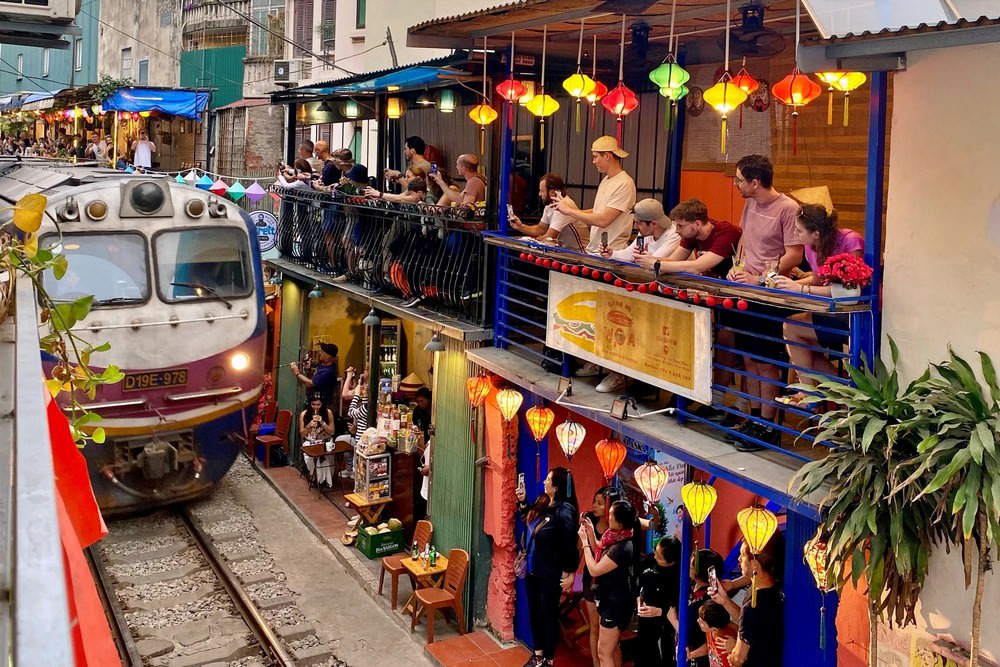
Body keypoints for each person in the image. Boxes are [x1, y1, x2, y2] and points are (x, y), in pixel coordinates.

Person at [726, 155, 804, 451]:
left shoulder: (788, 208)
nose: (736, 184)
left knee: (767, 360)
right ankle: (756, 416)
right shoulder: (750, 204)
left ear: (754, 182)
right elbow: (746, 239)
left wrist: (761, 278)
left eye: (739, 180)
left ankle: (770, 425)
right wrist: (738, 265)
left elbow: (794, 255)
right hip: (747, 289)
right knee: (749, 357)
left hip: (769, 295)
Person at [772, 204, 864, 403]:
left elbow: (846, 290)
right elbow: (817, 279)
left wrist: (799, 289)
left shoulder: (851, 241)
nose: (796, 235)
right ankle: (828, 389)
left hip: (855, 314)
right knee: (793, 328)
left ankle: (822, 392)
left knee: (794, 328)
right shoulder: (810, 247)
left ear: (816, 233)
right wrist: (787, 285)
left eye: (799, 231)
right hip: (831, 310)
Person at [516, 467, 580, 667]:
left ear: (557, 486)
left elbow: (570, 543)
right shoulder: (543, 501)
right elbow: (528, 519)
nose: (544, 482)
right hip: (532, 569)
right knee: (534, 611)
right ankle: (537, 654)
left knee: (549, 614)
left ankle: (548, 660)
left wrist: (569, 571)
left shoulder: (565, 511)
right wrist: (523, 501)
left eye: (548, 479)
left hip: (550, 573)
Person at [580, 499, 641, 667]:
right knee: (612, 648)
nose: (608, 516)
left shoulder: (622, 547)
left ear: (620, 524)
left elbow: (594, 569)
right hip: (609, 598)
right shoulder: (614, 536)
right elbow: (600, 548)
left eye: (612, 514)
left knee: (603, 652)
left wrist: (584, 543)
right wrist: (591, 533)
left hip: (616, 603)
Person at [711, 534, 784, 667]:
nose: (738, 559)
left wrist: (733, 648)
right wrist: (725, 600)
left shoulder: (753, 605)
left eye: (742, 556)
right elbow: (751, 624)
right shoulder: (774, 585)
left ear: (755, 564)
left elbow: (739, 658)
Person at [555, 135, 637, 254]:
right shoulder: (606, 180)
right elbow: (598, 211)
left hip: (611, 252)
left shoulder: (624, 183)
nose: (594, 161)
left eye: (595, 157)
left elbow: (604, 220)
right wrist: (567, 211)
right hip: (596, 249)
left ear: (607, 155)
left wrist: (569, 211)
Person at [668, 548, 725, 667]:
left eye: (691, 566)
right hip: (681, 648)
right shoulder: (689, 585)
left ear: (700, 571)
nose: (688, 567)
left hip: (697, 656)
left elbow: (713, 636)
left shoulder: (710, 600)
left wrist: (673, 620)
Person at [509, 173, 590, 252]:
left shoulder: (564, 206)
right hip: (565, 252)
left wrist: (531, 239)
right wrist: (520, 226)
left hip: (580, 254)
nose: (539, 194)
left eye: (542, 191)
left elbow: (549, 237)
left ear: (552, 192)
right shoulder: (550, 205)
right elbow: (540, 229)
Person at [634, 536, 682, 667]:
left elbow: (675, 605)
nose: (655, 556)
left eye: (660, 557)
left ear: (671, 562)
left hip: (663, 628)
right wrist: (638, 598)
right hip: (644, 620)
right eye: (656, 551)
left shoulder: (677, 577)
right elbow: (636, 579)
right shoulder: (650, 559)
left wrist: (660, 611)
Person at [601, 198, 680, 263]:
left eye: (638, 223)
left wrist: (640, 257)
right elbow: (630, 254)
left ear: (653, 224)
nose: (635, 227)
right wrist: (611, 254)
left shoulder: (675, 235)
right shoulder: (645, 233)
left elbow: (653, 262)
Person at [299, 395, 335, 486]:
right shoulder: (304, 414)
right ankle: (316, 478)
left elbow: (332, 432)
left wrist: (322, 423)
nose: (315, 407)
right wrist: (309, 425)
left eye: (318, 405)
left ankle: (324, 480)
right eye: (313, 404)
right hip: (310, 442)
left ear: (322, 404)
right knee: (312, 456)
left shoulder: (328, 413)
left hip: (324, 442)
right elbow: (302, 434)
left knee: (326, 457)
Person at [696, 602, 736, 667]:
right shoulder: (711, 629)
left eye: (702, 622)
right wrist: (691, 655)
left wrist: (735, 649)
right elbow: (709, 647)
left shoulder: (728, 642)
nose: (697, 621)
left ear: (715, 629)